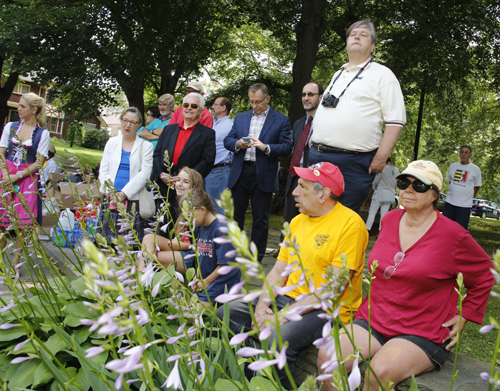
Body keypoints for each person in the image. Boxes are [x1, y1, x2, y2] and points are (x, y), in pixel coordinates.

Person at [317, 160, 494, 391]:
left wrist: (465, 315)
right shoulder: (390, 219)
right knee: (329, 356)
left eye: (419, 185)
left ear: (434, 195)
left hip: (422, 329)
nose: (408, 189)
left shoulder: (453, 235)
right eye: (403, 182)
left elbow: (485, 276)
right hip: (376, 318)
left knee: (378, 373)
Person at [217, 162, 368, 376]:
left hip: (325, 309)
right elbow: (278, 271)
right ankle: (246, 378)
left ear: (323, 194)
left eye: (302, 187)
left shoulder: (351, 225)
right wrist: (261, 306)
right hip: (288, 299)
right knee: (227, 312)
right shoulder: (297, 221)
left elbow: (332, 289)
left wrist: (281, 316)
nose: (294, 192)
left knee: (276, 338)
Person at [309, 19, 406, 211]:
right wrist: (314, 135)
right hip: (318, 157)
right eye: (353, 34)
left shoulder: (383, 75)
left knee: (340, 219)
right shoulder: (338, 73)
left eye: (363, 35)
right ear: (346, 44)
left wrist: (381, 157)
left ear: (372, 46)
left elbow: (396, 120)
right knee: (312, 213)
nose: (357, 37)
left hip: (352, 163)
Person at [224, 83, 292, 261]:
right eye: (252, 102)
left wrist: (265, 147)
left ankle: (255, 258)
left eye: (258, 102)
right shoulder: (240, 118)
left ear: (267, 99)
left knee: (260, 219)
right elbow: (228, 140)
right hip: (240, 172)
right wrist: (238, 144)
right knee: (235, 218)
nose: (255, 106)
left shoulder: (281, 120)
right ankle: (233, 255)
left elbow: (286, 147)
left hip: (263, 175)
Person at [160, 189, 241, 305]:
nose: (189, 221)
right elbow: (199, 256)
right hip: (207, 279)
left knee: (196, 312)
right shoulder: (198, 227)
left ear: (203, 210)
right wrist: (197, 277)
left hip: (221, 280)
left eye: (190, 216)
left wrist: (207, 281)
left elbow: (224, 264)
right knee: (189, 308)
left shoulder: (222, 230)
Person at [0, 92, 50, 271]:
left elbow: (39, 162)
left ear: (33, 109)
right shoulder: (11, 126)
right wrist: (6, 172)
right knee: (2, 220)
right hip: (6, 173)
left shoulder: (42, 134)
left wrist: (17, 176)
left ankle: (15, 263)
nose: (18, 109)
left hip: (26, 178)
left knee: (22, 224)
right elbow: (2, 151)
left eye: (22, 106)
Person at [152, 92, 216, 233]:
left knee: (185, 227)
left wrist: (186, 179)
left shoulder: (207, 133)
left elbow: (207, 161)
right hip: (165, 184)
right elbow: (156, 155)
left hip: (190, 188)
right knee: (162, 225)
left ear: (200, 111)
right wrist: (161, 174)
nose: (189, 108)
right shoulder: (169, 129)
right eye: (186, 105)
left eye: (194, 106)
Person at [98, 107, 154, 243]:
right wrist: (112, 193)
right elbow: (103, 169)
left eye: (133, 122)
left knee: (128, 245)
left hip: (132, 200)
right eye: (125, 120)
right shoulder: (112, 142)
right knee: (106, 243)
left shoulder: (146, 146)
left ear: (139, 126)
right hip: (110, 198)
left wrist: (123, 194)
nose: (128, 125)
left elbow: (145, 173)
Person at [140, 167, 204, 271]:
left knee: (149, 256)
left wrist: (181, 245)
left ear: (194, 186)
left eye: (185, 182)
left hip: (191, 255)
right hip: (178, 247)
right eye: (178, 180)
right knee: (149, 239)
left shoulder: (196, 209)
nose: (179, 184)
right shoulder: (177, 205)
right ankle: (143, 281)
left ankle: (142, 282)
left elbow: (201, 243)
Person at [284, 82, 324, 225]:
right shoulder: (298, 123)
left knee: (309, 221)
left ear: (320, 97)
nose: (306, 98)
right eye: (303, 94)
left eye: (311, 94)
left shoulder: (327, 122)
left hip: (314, 179)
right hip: (294, 176)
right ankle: (286, 247)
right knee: (289, 220)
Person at [443, 145, 481, 230]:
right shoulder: (452, 166)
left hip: (464, 206)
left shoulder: (475, 169)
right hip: (450, 203)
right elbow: (450, 182)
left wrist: (468, 197)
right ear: (459, 154)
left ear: (470, 155)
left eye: (466, 152)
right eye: (462, 152)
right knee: (445, 228)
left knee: (460, 230)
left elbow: (477, 187)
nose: (464, 154)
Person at [206, 97, 233, 213]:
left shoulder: (228, 126)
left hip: (220, 170)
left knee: (218, 209)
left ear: (223, 107)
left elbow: (232, 149)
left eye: (215, 104)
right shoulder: (216, 124)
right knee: (211, 207)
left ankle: (222, 231)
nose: (212, 106)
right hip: (212, 171)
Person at [365, 157, 399, 235]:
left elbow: (376, 180)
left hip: (379, 192)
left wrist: (373, 187)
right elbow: (397, 183)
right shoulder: (396, 170)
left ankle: (367, 230)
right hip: (389, 194)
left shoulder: (383, 168)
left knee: (372, 212)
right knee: (384, 214)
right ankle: (381, 232)